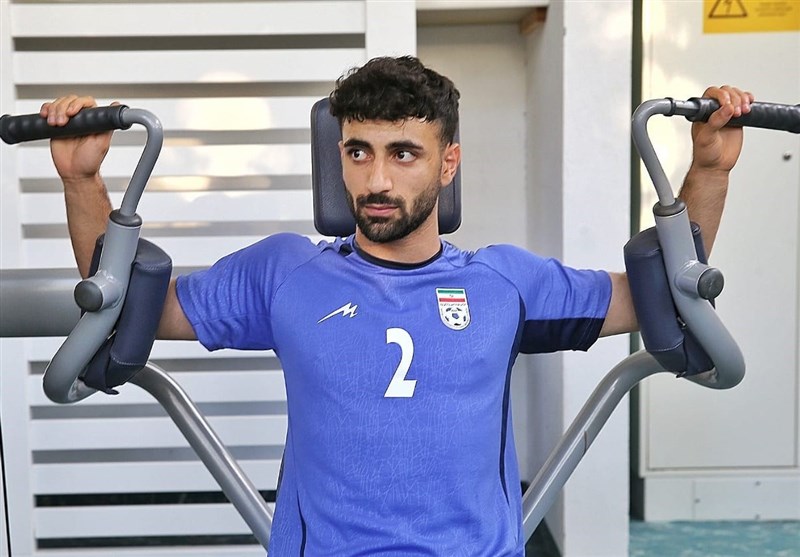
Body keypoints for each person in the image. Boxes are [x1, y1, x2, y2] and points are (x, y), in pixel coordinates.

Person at [41, 56, 753, 556]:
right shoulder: (285, 274)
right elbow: (127, 309)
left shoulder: (502, 282)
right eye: (359, 152)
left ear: (448, 164)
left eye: (403, 154)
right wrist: (82, 181)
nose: (376, 179)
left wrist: (710, 168)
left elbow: (664, 296)